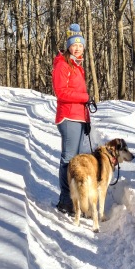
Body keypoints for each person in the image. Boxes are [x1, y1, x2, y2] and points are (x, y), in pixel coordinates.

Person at [52, 23, 92, 214]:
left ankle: (72, 199)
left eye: (81, 45)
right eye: (74, 45)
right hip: (68, 117)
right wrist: (85, 98)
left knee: (74, 160)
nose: (78, 48)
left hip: (78, 117)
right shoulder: (62, 64)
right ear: (68, 45)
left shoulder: (76, 66)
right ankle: (65, 200)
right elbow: (61, 93)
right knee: (68, 160)